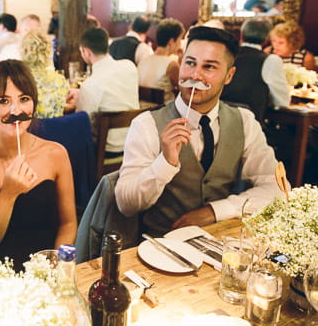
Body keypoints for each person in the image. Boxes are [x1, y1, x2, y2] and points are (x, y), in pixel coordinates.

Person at [115, 26, 282, 236]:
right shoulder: (146, 124)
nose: (195, 75)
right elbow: (125, 204)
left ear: (229, 75)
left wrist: (215, 211)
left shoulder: (245, 122)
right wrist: (165, 163)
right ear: (180, 62)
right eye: (190, 63)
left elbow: (277, 189)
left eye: (209, 67)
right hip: (160, 246)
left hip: (221, 241)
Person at [0, 60, 77, 269]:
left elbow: (68, 223)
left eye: (24, 99)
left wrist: (58, 264)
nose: (15, 109)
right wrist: (8, 194)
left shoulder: (56, 154)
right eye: (3, 100)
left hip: (48, 273)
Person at [73, 27, 139, 156]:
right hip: (134, 141)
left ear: (86, 52)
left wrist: (79, 100)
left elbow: (84, 122)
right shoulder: (129, 66)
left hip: (109, 149)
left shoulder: (90, 85)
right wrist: (82, 95)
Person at [221, 18, 289, 122]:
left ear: (242, 35)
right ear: (267, 39)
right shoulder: (271, 60)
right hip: (249, 125)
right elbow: (282, 102)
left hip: (216, 119)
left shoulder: (225, 53)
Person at [20, 29, 69, 118]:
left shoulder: (21, 80)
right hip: (57, 130)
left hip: (31, 130)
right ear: (49, 51)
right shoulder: (59, 80)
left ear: (24, 51)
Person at [138, 18, 184, 103]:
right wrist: (182, 61)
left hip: (142, 111)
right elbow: (184, 91)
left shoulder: (143, 61)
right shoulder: (171, 65)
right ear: (171, 41)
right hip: (164, 112)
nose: (180, 44)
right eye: (179, 40)